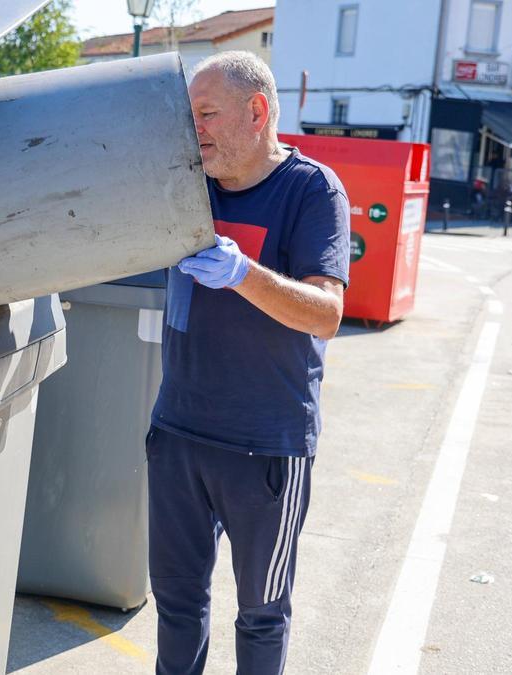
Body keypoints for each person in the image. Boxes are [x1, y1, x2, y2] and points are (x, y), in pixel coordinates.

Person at [147, 51, 350, 675]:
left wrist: (243, 274)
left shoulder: (312, 191)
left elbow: (326, 313)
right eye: (190, 117)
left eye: (207, 114)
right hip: (179, 431)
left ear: (257, 112)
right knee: (177, 603)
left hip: (267, 442)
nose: (195, 129)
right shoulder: (188, 182)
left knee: (262, 613)